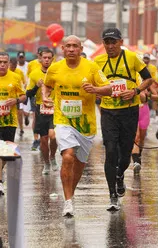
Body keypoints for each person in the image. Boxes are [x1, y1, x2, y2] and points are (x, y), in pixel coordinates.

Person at [43, 35, 112, 217]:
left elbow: (110, 88)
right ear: (63, 49)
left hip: (86, 124)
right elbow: (47, 86)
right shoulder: (55, 68)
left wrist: (96, 90)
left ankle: (70, 195)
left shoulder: (91, 67)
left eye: (75, 46)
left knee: (80, 164)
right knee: (68, 157)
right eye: (68, 46)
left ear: (81, 48)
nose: (72, 49)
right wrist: (45, 96)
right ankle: (67, 202)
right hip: (63, 120)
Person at [94, 27, 153, 211]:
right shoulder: (97, 61)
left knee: (126, 153)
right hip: (108, 112)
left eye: (113, 42)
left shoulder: (132, 58)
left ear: (121, 42)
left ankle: (120, 176)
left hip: (129, 111)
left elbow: (148, 79)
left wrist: (135, 91)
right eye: (107, 42)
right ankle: (112, 195)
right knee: (110, 150)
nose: (110, 46)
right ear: (103, 44)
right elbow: (92, 84)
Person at [26, 48, 58, 175]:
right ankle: (46, 163)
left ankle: (53, 156)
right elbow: (28, 94)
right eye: (44, 58)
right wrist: (37, 86)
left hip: (55, 108)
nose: (46, 60)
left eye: (49, 58)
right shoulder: (34, 74)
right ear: (40, 58)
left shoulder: (57, 72)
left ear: (52, 58)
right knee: (44, 139)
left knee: (53, 136)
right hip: (41, 108)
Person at [0, 52, 26, 195]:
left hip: (10, 121)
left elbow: (23, 96)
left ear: (9, 63)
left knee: (6, 153)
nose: (2, 64)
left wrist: (15, 101)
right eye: (0, 62)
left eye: (5, 62)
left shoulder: (15, 78)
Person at [9, 57, 26, 136]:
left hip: (17, 97)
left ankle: (21, 128)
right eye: (12, 67)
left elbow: (24, 83)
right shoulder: (5, 72)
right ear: (9, 65)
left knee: (19, 113)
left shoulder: (19, 72)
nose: (13, 68)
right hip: (7, 97)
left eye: (15, 67)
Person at [143, 53, 158, 119]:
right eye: (145, 58)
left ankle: (154, 111)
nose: (146, 60)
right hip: (141, 85)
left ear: (149, 60)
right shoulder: (140, 66)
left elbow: (155, 78)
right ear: (143, 59)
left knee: (155, 97)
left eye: (147, 59)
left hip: (150, 85)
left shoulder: (153, 67)